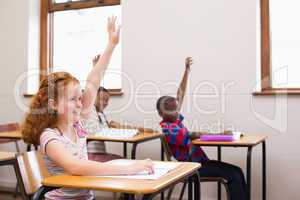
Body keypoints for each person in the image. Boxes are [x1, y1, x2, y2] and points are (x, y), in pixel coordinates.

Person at [21, 16, 154, 200]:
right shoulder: (49, 136)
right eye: (72, 99)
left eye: (80, 98)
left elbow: (94, 79)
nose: (80, 103)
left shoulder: (78, 124)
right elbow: (76, 167)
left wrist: (112, 44)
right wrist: (130, 168)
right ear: (53, 104)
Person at [156, 57, 247, 200]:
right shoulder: (168, 128)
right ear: (161, 113)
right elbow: (192, 135)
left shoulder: (174, 119)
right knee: (233, 175)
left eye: (176, 109)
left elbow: (180, 94)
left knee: (238, 171)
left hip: (199, 162)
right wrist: (220, 134)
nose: (175, 111)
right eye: (170, 110)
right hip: (191, 167)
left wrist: (186, 71)